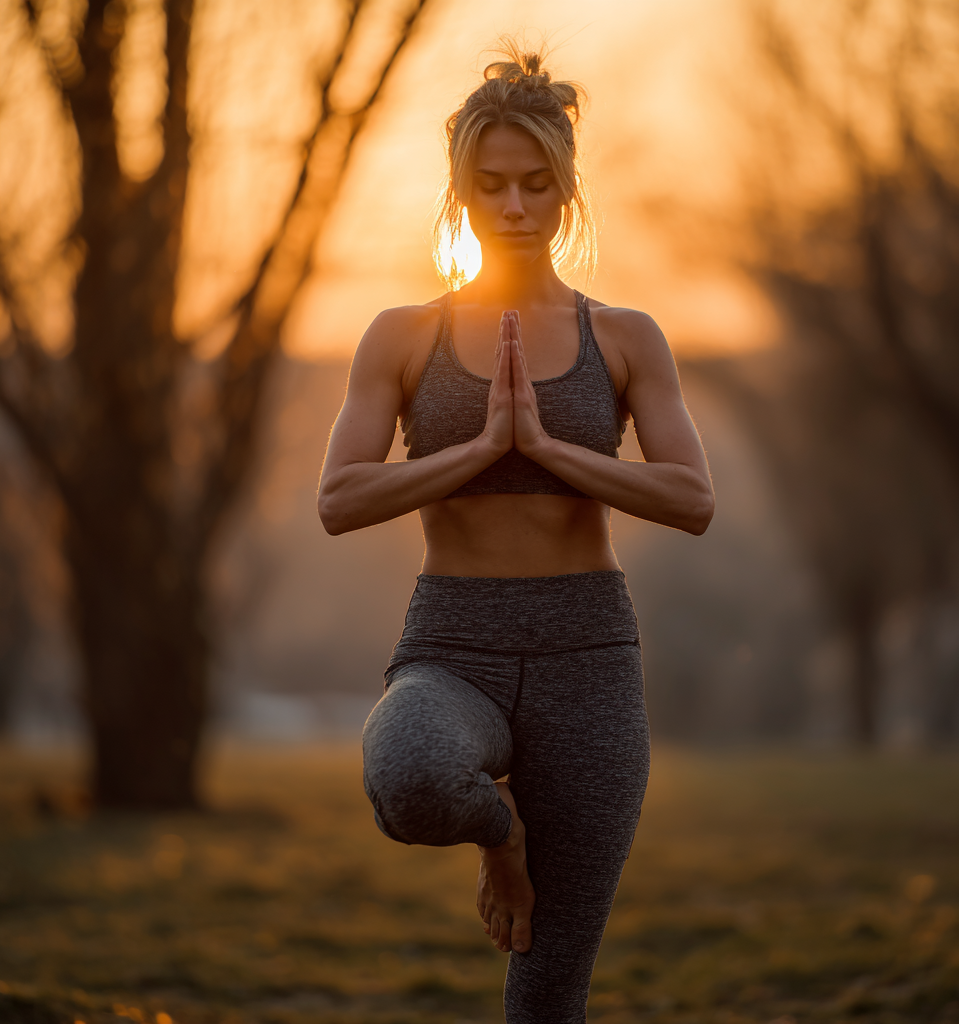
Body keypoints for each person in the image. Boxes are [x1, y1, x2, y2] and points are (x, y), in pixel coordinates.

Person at [317, 45, 714, 1024]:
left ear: (566, 189)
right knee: (409, 779)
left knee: (545, 994)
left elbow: (691, 498)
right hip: (453, 643)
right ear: (459, 192)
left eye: (537, 184)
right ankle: (505, 837)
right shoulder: (400, 337)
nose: (515, 206)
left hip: (589, 656)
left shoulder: (624, 339)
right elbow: (339, 498)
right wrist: (482, 447)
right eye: (490, 185)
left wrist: (545, 447)